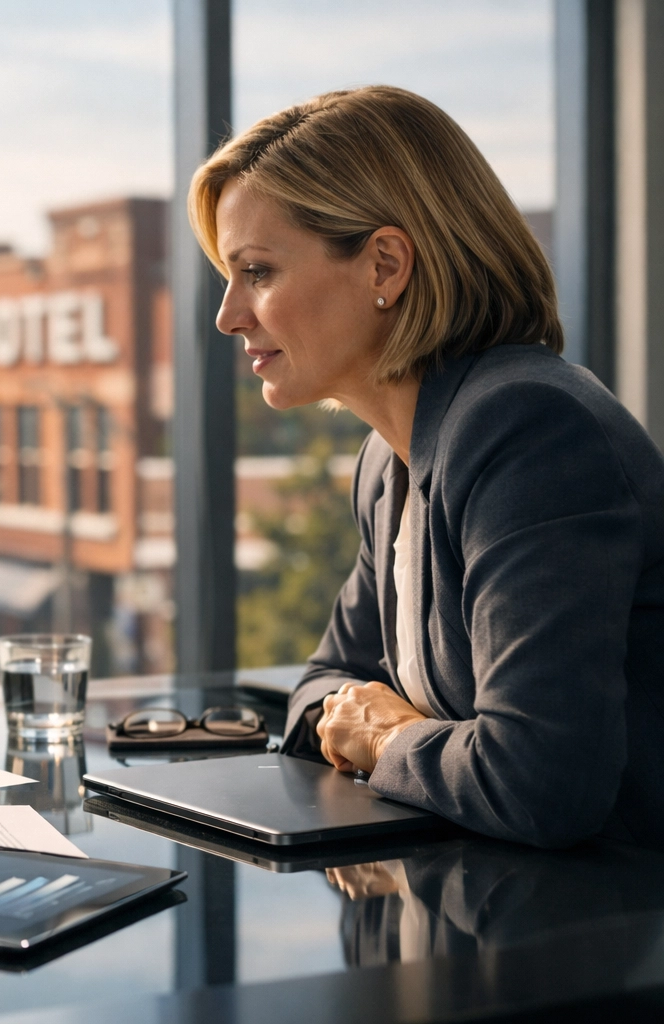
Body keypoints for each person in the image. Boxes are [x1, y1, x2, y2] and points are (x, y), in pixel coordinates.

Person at [188, 85, 664, 849]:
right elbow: (325, 686)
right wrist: (373, 722)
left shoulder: (529, 431)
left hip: (601, 937)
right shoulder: (390, 460)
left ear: (385, 264)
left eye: (258, 272)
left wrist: (383, 740)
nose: (228, 314)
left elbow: (541, 780)